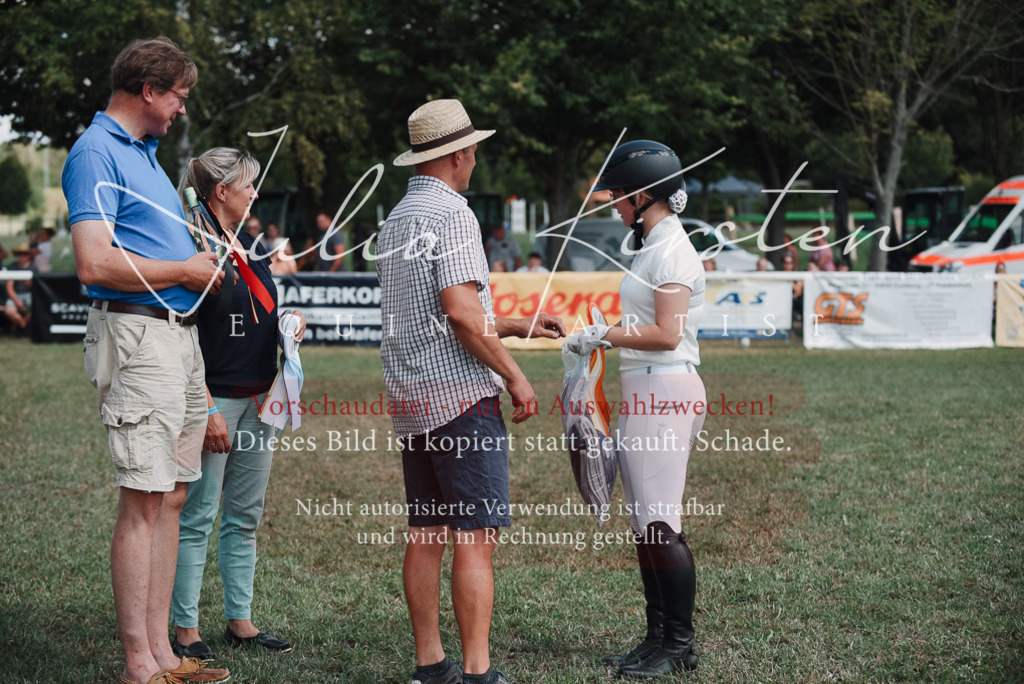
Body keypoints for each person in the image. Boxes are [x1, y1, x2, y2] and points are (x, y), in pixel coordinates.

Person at [378, 98, 565, 684]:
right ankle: (479, 672)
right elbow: (460, 315)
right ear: (458, 153)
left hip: (412, 398)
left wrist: (512, 323)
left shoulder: (395, 219)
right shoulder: (454, 216)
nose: (476, 157)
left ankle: (431, 665)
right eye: (474, 148)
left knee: (426, 533)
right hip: (460, 397)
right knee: (474, 537)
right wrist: (514, 373)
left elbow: (437, 314)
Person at [61, 37, 230, 684]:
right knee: (143, 498)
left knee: (173, 495)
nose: (180, 111)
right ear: (149, 91)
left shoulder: (144, 155)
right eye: (177, 97)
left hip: (175, 336)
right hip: (138, 340)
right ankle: (139, 665)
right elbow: (94, 262)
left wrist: (197, 264)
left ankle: (164, 656)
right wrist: (184, 267)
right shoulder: (95, 152)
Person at [566, 140, 705, 680]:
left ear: (645, 194)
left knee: (659, 524)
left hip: (663, 388)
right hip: (646, 389)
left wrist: (603, 334)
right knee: (646, 522)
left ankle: (678, 643)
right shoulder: (652, 245)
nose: (615, 206)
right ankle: (657, 638)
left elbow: (668, 334)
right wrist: (604, 337)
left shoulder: (671, 250)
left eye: (620, 197)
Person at [171, 147, 303, 663]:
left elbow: (257, 308)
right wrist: (204, 407)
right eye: (247, 184)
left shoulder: (248, 241)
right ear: (221, 192)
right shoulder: (191, 245)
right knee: (198, 515)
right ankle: (185, 629)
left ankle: (240, 621)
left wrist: (288, 320)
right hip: (216, 396)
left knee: (245, 514)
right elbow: (182, 331)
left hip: (260, 393)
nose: (254, 192)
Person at [4, 243, 37, 332]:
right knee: (9, 311)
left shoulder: (34, 268)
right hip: (16, 295)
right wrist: (16, 300)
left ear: (29, 255)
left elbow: (37, 287)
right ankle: (23, 325)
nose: (22, 256)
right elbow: (9, 287)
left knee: (38, 308)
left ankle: (22, 326)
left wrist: (30, 284)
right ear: (17, 255)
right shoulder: (12, 267)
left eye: (25, 254)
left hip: (29, 294)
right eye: (20, 254)